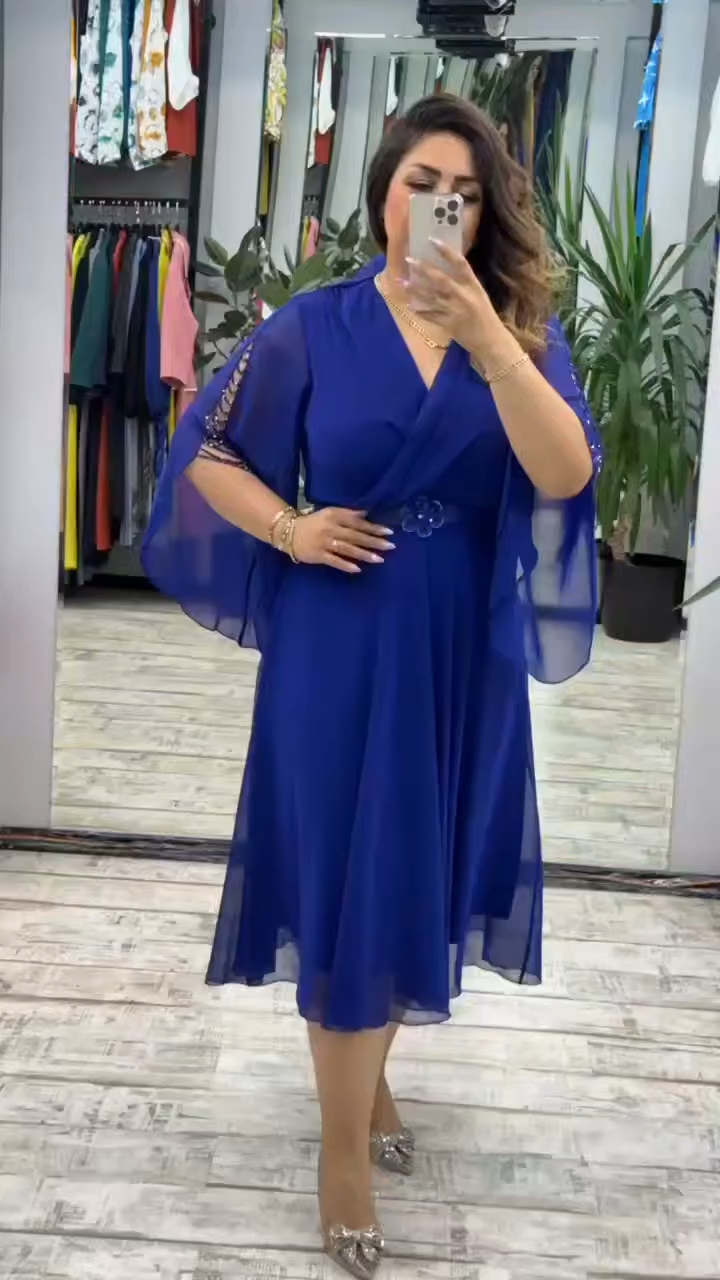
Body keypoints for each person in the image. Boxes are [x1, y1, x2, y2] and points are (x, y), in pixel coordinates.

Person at [143, 94, 601, 1279]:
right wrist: (290, 529)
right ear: (382, 194)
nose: (439, 205)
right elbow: (209, 453)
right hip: (339, 646)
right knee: (352, 877)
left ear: (485, 214)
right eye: (418, 184)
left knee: (417, 878)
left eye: (463, 192)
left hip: (460, 653)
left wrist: (491, 338)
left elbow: (564, 471)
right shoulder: (314, 325)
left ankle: (370, 1083)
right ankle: (341, 1154)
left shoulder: (520, 335)